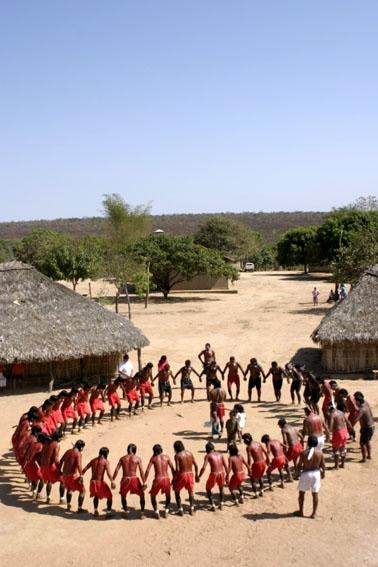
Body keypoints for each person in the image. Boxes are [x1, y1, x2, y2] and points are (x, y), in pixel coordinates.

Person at [295, 435, 325, 519]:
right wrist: (323, 474)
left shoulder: (304, 453)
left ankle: (301, 511)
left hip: (305, 474)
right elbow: (323, 465)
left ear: (308, 443)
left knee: (301, 493)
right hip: (316, 474)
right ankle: (314, 514)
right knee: (315, 494)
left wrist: (297, 474)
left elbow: (299, 465)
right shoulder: (320, 453)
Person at [113, 443, 146, 518]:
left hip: (125, 479)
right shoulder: (137, 458)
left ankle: (125, 511)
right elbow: (141, 471)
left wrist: (113, 480)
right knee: (142, 495)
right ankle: (142, 513)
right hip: (134, 479)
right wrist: (144, 482)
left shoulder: (122, 458)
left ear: (127, 450)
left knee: (123, 496)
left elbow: (117, 470)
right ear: (135, 451)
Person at [83, 447, 115, 517]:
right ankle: (109, 512)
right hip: (99, 482)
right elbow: (108, 472)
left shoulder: (93, 460)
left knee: (96, 496)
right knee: (110, 496)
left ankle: (95, 511)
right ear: (106, 453)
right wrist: (112, 481)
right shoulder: (105, 461)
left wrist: (81, 476)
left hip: (92, 482)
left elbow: (85, 469)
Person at [145, 444, 175, 519]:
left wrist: (144, 480)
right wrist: (174, 478)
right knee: (168, 496)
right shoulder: (167, 457)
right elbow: (172, 468)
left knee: (152, 495)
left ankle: (156, 511)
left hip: (158, 479)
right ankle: (166, 511)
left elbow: (148, 470)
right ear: (161, 450)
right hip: (166, 478)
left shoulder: (153, 458)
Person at [198, 441, 228, 511]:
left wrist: (199, 476)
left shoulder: (208, 455)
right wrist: (227, 475)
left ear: (206, 450)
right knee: (221, 488)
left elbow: (204, 467)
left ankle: (213, 505)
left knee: (208, 489)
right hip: (222, 472)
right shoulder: (220, 454)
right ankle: (221, 504)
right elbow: (226, 466)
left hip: (214, 473)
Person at [172, 440, 199, 516]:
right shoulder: (190, 453)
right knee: (190, 491)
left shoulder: (177, 455)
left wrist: (174, 479)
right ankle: (192, 509)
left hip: (182, 475)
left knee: (177, 491)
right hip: (190, 474)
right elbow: (196, 465)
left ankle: (180, 510)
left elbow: (177, 469)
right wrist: (197, 475)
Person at [59, 439, 86, 513]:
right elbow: (78, 465)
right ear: (81, 447)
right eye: (83, 448)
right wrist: (81, 475)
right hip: (72, 476)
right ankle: (80, 508)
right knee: (82, 490)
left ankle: (68, 505)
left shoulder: (68, 451)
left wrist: (59, 470)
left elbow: (61, 460)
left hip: (64, 475)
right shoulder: (78, 454)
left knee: (69, 489)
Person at [40, 430, 64, 504]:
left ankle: (48, 498)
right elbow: (55, 459)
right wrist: (59, 467)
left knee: (49, 481)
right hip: (50, 466)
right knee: (63, 481)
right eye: (60, 438)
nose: (61, 439)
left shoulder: (46, 442)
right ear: (58, 438)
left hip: (43, 466)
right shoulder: (56, 445)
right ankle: (62, 499)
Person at [242, 433, 267, 498]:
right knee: (260, 477)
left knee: (252, 479)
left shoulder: (249, 447)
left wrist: (249, 468)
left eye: (244, 440)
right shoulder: (258, 443)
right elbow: (265, 452)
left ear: (247, 440)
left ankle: (256, 494)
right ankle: (261, 491)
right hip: (263, 462)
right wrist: (268, 460)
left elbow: (249, 459)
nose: (244, 442)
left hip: (257, 464)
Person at [328, 403, 353, 469]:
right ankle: (342, 464)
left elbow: (330, 427)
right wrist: (350, 429)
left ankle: (336, 466)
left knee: (335, 449)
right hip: (344, 431)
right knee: (343, 448)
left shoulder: (332, 414)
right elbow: (348, 422)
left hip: (337, 432)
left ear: (329, 408)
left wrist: (327, 434)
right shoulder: (341, 412)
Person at [354, 392, 375, 462]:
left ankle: (364, 459)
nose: (355, 403)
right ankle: (369, 455)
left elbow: (356, 419)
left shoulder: (361, 409)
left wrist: (351, 426)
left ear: (358, 401)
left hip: (366, 428)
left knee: (362, 443)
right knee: (367, 441)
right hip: (371, 426)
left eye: (355, 401)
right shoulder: (366, 404)